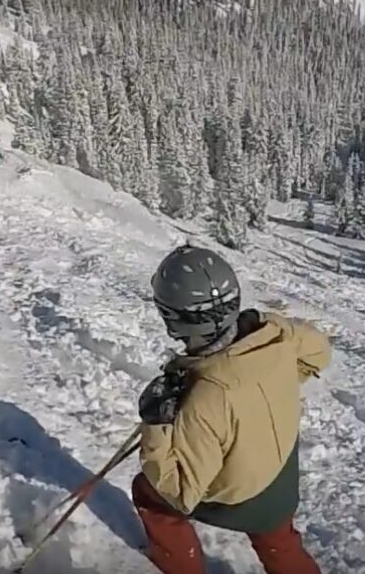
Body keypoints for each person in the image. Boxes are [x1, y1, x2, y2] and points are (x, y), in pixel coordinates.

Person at [131, 245, 332, 574]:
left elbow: (181, 491)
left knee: (148, 492)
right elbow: (319, 353)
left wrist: (156, 424)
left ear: (173, 318)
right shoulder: (278, 343)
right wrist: (267, 324)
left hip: (242, 498)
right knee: (278, 542)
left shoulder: (208, 395)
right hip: (280, 482)